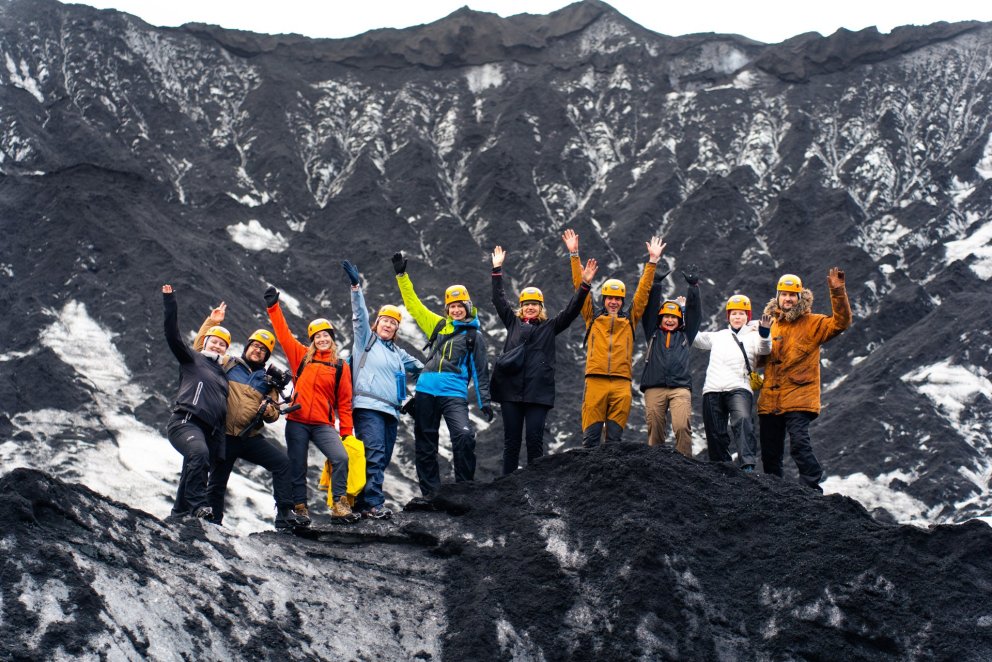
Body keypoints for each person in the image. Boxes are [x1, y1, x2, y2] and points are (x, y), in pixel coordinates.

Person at [391, 251, 492, 502]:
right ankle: (431, 494)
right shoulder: (437, 325)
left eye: (460, 306)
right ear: (447, 309)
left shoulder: (474, 337)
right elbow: (413, 305)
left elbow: (481, 371)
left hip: (453, 394)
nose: (456, 310)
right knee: (425, 443)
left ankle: (464, 490)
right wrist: (402, 276)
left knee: (464, 435)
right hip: (425, 391)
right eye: (452, 306)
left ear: (468, 307)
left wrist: (485, 401)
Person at [490, 245, 597, 474]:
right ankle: (506, 489)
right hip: (511, 392)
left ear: (541, 308)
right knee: (511, 442)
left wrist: (585, 285)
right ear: (521, 308)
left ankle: (534, 488)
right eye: (526, 304)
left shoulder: (551, 327)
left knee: (534, 441)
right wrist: (497, 269)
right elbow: (498, 299)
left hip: (538, 394)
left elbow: (572, 309)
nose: (530, 307)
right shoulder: (512, 323)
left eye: (534, 305)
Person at [191, 302, 297, 530]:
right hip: (224, 436)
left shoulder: (268, 381)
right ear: (247, 346)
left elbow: (274, 415)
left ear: (266, 355)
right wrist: (212, 323)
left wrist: (268, 407)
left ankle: (285, 514)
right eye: (255, 346)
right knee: (217, 483)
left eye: (263, 349)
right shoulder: (228, 363)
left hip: (249, 438)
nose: (257, 350)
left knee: (282, 464)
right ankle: (214, 524)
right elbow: (202, 350)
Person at [264, 285, 356, 524]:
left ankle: (339, 504)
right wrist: (273, 308)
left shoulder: (340, 366)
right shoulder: (302, 357)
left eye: (326, 335)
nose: (322, 339)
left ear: (332, 339)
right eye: (318, 336)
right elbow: (283, 334)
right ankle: (300, 508)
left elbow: (344, 402)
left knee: (340, 457)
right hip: (297, 422)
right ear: (313, 340)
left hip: (323, 424)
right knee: (297, 465)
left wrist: (346, 432)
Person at [562, 229, 663, 446]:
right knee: (590, 439)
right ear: (604, 299)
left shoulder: (630, 319)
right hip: (595, 381)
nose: (614, 302)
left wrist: (652, 261)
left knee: (615, 441)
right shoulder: (592, 316)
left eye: (618, 299)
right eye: (610, 298)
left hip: (621, 384)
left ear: (622, 300)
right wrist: (574, 255)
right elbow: (580, 289)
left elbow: (643, 293)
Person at [342, 260, 423, 520]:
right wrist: (356, 287)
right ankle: (373, 503)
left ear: (397, 328)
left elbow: (425, 368)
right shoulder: (366, 340)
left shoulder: (399, 354)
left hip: (391, 411)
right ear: (377, 323)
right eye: (385, 320)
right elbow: (359, 316)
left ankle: (362, 503)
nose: (388, 325)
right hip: (367, 407)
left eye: (393, 323)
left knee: (382, 457)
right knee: (374, 452)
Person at [757, 270, 851, 491]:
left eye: (793, 294)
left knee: (799, 443)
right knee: (770, 452)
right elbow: (758, 357)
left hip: (800, 396)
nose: (788, 298)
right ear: (777, 296)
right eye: (784, 294)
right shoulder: (769, 324)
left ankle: (811, 487)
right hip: (770, 398)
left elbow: (841, 323)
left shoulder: (813, 323)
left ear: (800, 297)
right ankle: (774, 492)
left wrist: (837, 291)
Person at [161, 284, 229, 521]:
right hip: (185, 422)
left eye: (222, 344)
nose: (217, 345)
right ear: (206, 342)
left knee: (193, 465)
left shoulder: (222, 376)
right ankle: (198, 506)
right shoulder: (192, 359)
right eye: (214, 341)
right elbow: (172, 334)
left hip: (208, 431)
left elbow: (222, 414)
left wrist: (218, 451)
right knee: (197, 453)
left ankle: (177, 516)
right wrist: (170, 301)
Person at [693, 295, 772, 470]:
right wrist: (685, 311)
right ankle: (721, 467)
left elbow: (765, 349)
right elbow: (695, 338)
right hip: (712, 389)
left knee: (743, 421)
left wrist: (765, 333)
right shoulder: (718, 336)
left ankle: (748, 465)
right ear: (728, 316)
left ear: (747, 316)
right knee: (714, 432)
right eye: (734, 313)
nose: (737, 317)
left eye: (742, 314)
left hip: (739, 387)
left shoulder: (754, 336)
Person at [639, 268, 702, 456]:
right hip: (654, 387)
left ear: (679, 320)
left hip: (680, 387)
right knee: (655, 429)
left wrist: (693, 288)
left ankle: (685, 464)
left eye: (674, 317)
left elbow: (695, 313)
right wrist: (656, 284)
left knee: (682, 426)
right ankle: (656, 467)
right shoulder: (652, 332)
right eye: (666, 316)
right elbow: (649, 308)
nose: (669, 320)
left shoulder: (685, 335)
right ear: (660, 319)